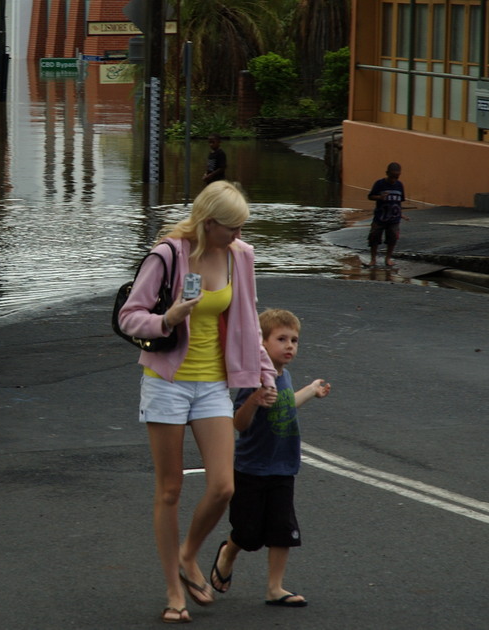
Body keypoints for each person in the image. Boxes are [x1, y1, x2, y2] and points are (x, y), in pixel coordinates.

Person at [116, 180, 278, 624]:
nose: (240, 236)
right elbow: (130, 315)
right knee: (170, 489)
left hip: (212, 385)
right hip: (167, 381)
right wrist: (167, 317)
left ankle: (189, 555)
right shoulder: (168, 254)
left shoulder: (239, 256)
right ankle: (173, 590)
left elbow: (246, 319)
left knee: (224, 485)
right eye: (232, 228)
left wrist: (265, 374)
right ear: (209, 222)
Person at [209, 309, 330, 608]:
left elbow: (287, 405)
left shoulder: (284, 376)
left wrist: (311, 391)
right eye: (281, 339)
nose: (290, 345)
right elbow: (238, 423)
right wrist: (254, 400)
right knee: (249, 534)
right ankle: (229, 552)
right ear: (261, 344)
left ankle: (275, 588)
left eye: (295, 340)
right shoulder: (252, 379)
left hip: (283, 466)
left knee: (282, 529)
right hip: (251, 468)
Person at [366, 163, 404, 268]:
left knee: (392, 237)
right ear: (387, 173)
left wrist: (400, 213)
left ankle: (388, 258)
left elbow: (400, 201)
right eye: (392, 176)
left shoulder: (400, 185)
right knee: (374, 237)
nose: (394, 179)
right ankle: (373, 259)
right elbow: (370, 196)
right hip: (380, 217)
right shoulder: (379, 184)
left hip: (394, 218)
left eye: (396, 177)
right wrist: (379, 197)